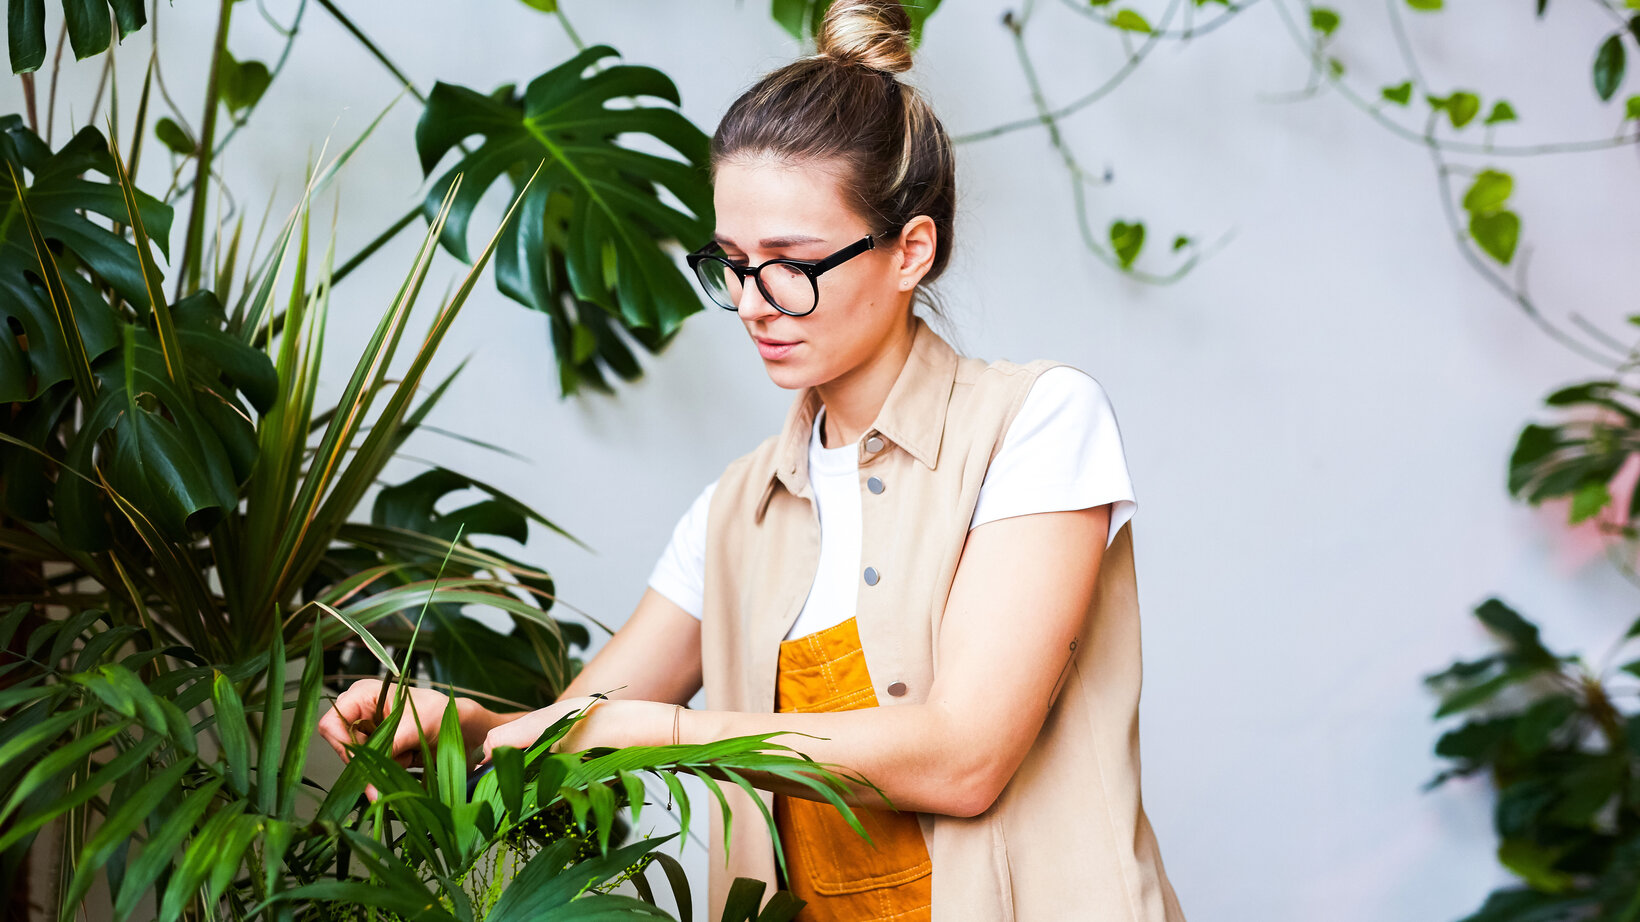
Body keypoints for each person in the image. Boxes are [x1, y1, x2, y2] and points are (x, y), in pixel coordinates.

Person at [318, 1, 1186, 919]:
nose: (754, 302)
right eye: (731, 261)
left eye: (791, 261)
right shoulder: (736, 512)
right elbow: (588, 723)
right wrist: (468, 727)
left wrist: (677, 735)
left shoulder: (1038, 424)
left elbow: (965, 758)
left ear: (910, 252)